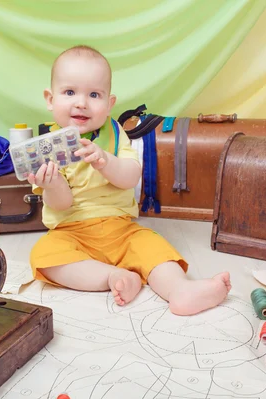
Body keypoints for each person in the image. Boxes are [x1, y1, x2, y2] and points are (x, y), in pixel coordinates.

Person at [28, 45, 231, 315]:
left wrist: (105, 162)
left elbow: (130, 178)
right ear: (50, 99)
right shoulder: (47, 148)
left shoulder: (115, 134)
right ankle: (112, 277)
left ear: (109, 103)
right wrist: (52, 183)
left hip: (120, 229)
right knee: (44, 255)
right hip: (71, 233)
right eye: (69, 92)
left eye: (94, 94)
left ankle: (180, 290)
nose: (81, 103)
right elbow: (61, 204)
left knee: (152, 246)